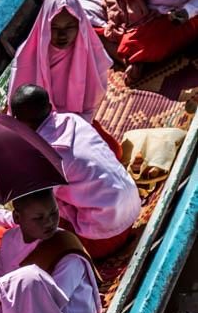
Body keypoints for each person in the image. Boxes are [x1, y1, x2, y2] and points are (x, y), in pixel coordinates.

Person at [10, 84, 141, 259]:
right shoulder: (72, 119)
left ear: (18, 122)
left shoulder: (43, 157)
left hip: (106, 237)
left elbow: (37, 210)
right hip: (132, 208)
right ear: (49, 107)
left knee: (38, 223)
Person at [8, 0, 118, 153]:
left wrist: (75, 128)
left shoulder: (87, 49)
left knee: (113, 151)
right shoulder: (26, 56)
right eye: (54, 27)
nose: (62, 35)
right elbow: (20, 109)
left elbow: (92, 99)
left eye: (70, 27)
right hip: (40, 127)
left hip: (77, 123)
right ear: (44, 26)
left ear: (80, 25)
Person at [81, 0, 198, 84]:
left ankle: (127, 51)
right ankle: (127, 57)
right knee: (77, 10)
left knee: (154, 43)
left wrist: (188, 11)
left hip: (173, 16)